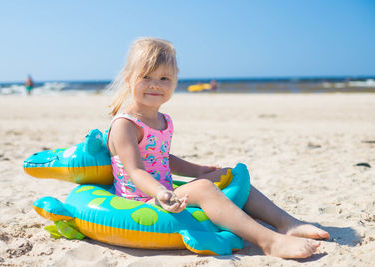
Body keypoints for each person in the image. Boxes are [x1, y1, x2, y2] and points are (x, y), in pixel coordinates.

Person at [107, 37, 329, 259]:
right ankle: (269, 242)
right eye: (146, 77)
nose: (155, 84)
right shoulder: (125, 125)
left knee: (228, 176)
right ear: (128, 80)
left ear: (174, 82)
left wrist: (198, 170)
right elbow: (136, 170)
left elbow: (162, 157)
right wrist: (161, 193)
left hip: (164, 191)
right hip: (142, 199)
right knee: (203, 188)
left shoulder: (163, 120)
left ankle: (286, 222)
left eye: (164, 78)